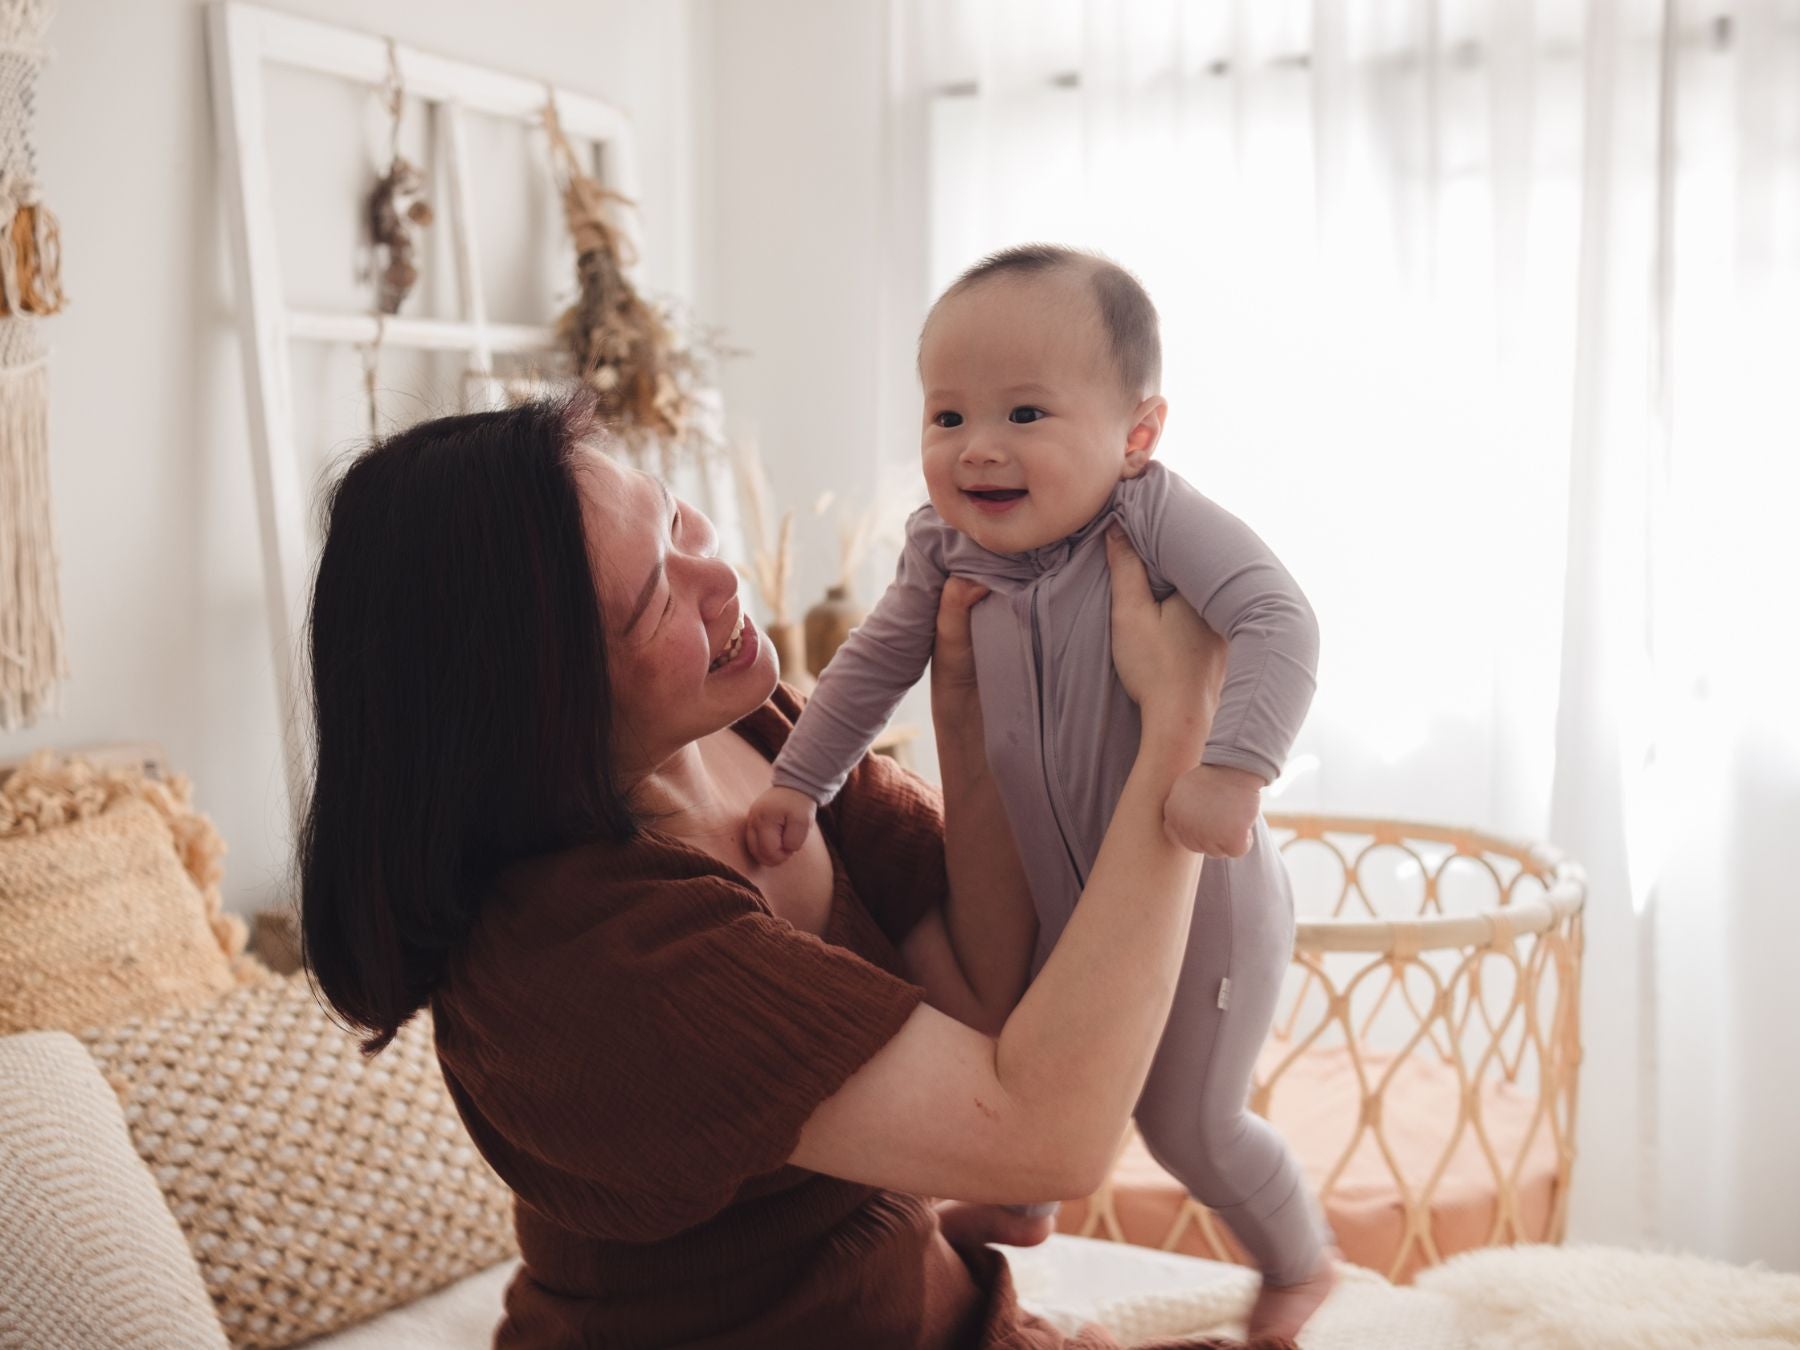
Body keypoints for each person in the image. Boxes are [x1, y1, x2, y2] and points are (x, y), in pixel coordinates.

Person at [297, 391, 1280, 1348]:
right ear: (547, 712)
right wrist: (1183, 736)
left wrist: (967, 711)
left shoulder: (752, 731)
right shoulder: (596, 961)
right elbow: (1051, 1134)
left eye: (676, 519)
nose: (717, 578)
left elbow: (981, 1008)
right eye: (655, 600)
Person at [746, 245, 1335, 1338]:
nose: (979, 449)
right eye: (946, 417)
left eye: (1024, 413)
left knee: (1186, 1122)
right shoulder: (942, 546)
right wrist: (800, 778)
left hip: (1203, 895)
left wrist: (1230, 770)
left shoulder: (1149, 521)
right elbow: (876, 659)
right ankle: (1022, 1194)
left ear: (1137, 437)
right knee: (1021, 1044)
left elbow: (1278, 620)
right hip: (1066, 899)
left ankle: (1298, 1260)